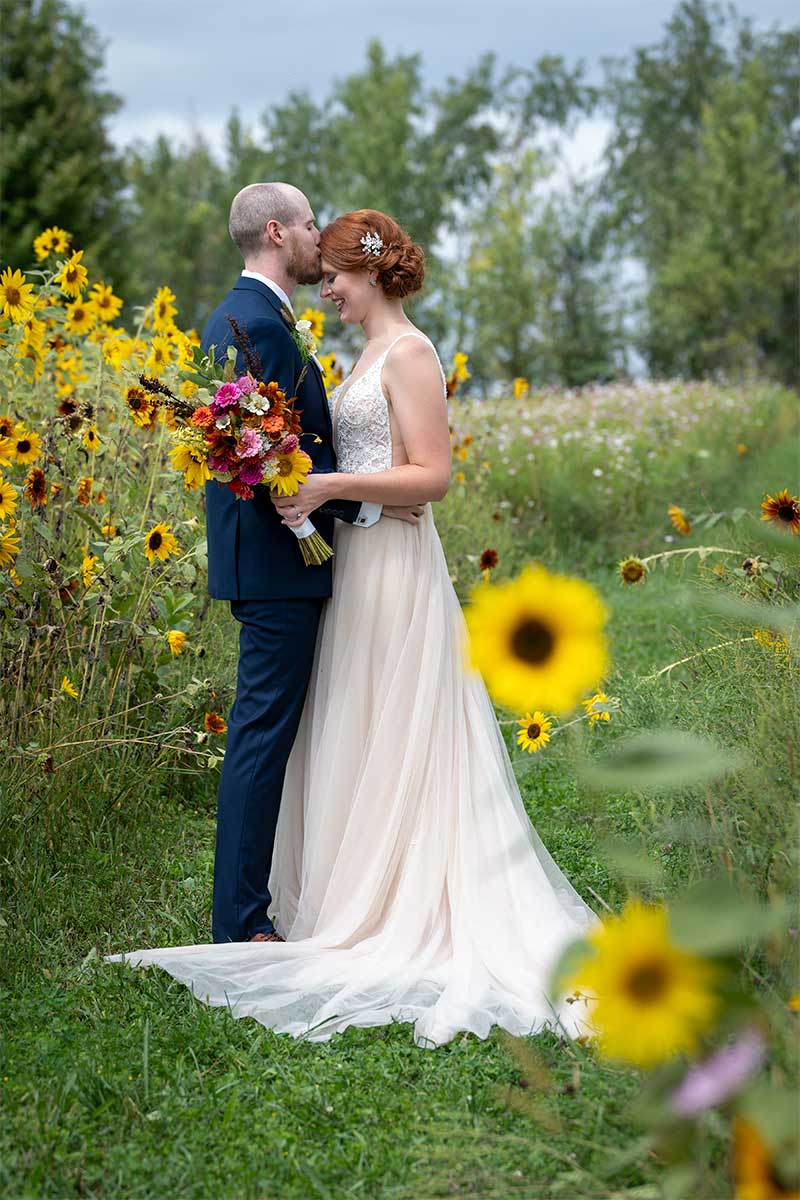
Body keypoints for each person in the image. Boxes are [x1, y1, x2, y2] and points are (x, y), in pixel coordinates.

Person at [106, 208, 598, 1049]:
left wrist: (329, 490)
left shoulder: (409, 352)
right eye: (322, 272)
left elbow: (434, 475)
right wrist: (326, 489)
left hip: (395, 571)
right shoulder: (362, 355)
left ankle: (403, 900)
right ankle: (350, 894)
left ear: (369, 273)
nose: (326, 288)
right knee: (355, 729)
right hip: (355, 567)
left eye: (335, 274)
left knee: (402, 728)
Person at [194, 182, 420, 945]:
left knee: (285, 733)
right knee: (262, 736)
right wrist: (359, 507)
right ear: (276, 230)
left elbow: (288, 453)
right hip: (275, 564)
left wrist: (349, 503)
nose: (317, 243)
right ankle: (242, 924)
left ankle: (277, 902)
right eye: (309, 226)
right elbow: (262, 460)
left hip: (289, 558)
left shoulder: (255, 320)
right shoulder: (248, 322)